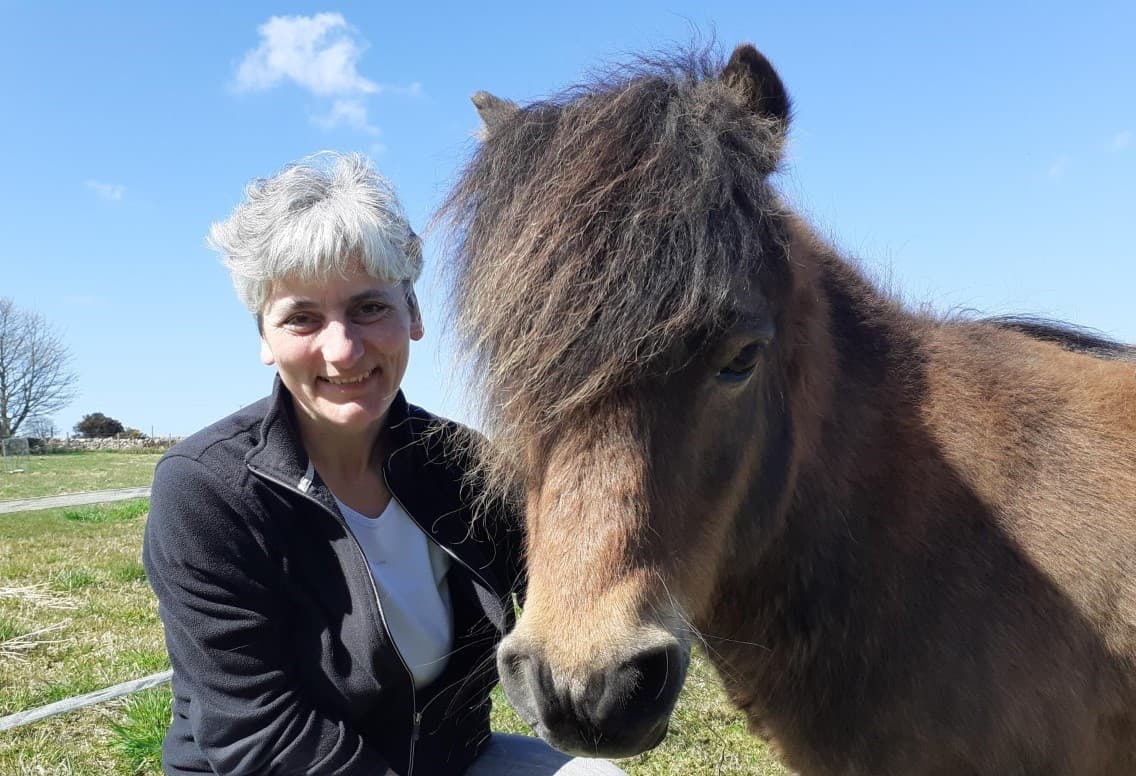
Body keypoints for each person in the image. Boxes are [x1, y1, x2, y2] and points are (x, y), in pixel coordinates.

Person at [143, 153, 627, 776]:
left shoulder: (466, 465)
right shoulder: (207, 490)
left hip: (448, 761)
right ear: (264, 338)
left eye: (369, 307)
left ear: (414, 315)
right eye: (302, 318)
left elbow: (578, 586)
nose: (343, 349)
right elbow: (254, 732)